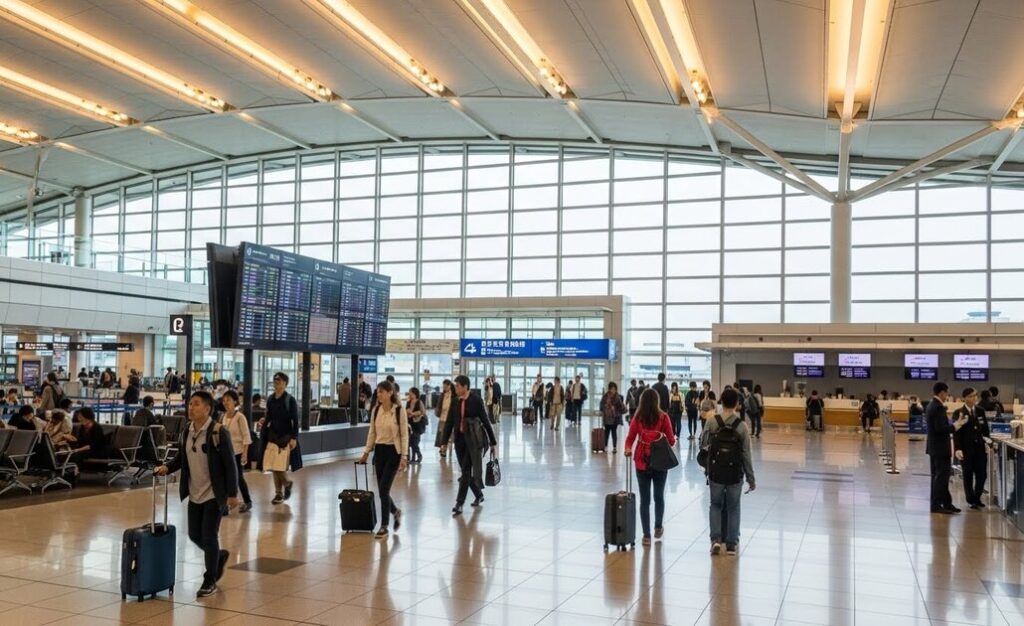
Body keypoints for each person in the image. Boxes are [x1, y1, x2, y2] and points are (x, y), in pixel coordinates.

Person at [155, 391, 238, 599]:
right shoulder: (187, 431)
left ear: (208, 409)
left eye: (197, 404)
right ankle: (218, 556)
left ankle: (210, 579)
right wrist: (167, 467)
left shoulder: (218, 432)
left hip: (214, 494)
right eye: (190, 403)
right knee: (194, 535)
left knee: (209, 536)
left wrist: (232, 494)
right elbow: (181, 458)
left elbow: (230, 465)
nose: (191, 407)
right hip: (194, 492)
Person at [701, 388, 755, 556]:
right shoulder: (742, 426)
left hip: (716, 472)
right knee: (733, 507)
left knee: (715, 505)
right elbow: (746, 454)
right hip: (735, 474)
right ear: (737, 404)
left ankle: (715, 540)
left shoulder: (712, 422)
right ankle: (731, 544)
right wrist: (751, 478)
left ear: (721, 402)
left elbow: (703, 444)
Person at [624, 388, 676, 546]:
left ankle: (646, 535)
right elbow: (671, 440)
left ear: (642, 401)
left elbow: (630, 438)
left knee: (644, 500)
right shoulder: (664, 417)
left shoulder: (638, 417)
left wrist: (628, 449)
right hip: (660, 462)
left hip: (642, 461)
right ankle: (658, 526)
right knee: (659, 496)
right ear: (657, 401)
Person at [440, 375, 498, 516]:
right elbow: (449, 422)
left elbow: (485, 420)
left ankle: (459, 503)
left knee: (466, 470)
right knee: (465, 471)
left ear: (465, 386)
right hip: (459, 441)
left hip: (473, 441)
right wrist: (444, 442)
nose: (456, 388)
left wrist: (493, 442)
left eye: (458, 386)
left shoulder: (476, 400)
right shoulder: (455, 401)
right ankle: (478, 494)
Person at [360, 381, 409, 537]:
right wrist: (366, 452)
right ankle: (395, 511)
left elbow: (404, 435)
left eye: (381, 392)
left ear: (390, 393)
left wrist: (404, 456)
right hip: (379, 451)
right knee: (382, 490)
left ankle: (384, 525)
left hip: (394, 452)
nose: (378, 394)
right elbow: (372, 433)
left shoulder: (399, 411)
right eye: (378, 392)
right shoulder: (376, 411)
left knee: (383, 489)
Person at [927, 382, 968, 514]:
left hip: (934, 447)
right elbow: (940, 428)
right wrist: (956, 426)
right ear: (942, 392)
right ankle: (936, 505)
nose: (948, 396)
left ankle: (946, 503)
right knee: (941, 477)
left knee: (940, 476)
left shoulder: (931, 405)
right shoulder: (938, 407)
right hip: (940, 448)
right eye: (947, 393)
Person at [260, 372, 300, 505]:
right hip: (273, 436)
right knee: (273, 465)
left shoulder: (290, 400)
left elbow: (295, 421)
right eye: (275, 381)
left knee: (279, 466)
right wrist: (263, 427)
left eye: (280, 381)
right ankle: (280, 491)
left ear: (285, 384)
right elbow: (268, 417)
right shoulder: (270, 399)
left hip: (285, 437)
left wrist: (294, 438)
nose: (277, 383)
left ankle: (284, 486)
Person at [952, 387, 990, 510]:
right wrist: (957, 448)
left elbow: (985, 429)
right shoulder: (959, 412)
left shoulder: (980, 411)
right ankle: (970, 499)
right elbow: (957, 432)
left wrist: (988, 442)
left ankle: (977, 497)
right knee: (968, 475)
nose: (974, 398)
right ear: (965, 398)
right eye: (971, 396)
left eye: (975, 395)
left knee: (982, 474)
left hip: (980, 448)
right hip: (966, 449)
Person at [221, 390, 253, 514]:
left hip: (238, 452)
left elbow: (246, 436)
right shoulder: (224, 417)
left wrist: (245, 453)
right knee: (225, 478)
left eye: (228, 400)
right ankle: (225, 505)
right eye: (224, 400)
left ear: (235, 401)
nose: (226, 403)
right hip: (227, 453)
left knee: (238, 478)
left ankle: (247, 501)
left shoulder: (240, 417)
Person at [600, 382, 626, 453]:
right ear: (609, 389)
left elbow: (622, 408)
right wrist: (605, 407)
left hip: (615, 417)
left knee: (614, 432)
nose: (613, 390)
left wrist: (615, 408)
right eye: (612, 389)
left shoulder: (618, 397)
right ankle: (605, 446)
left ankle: (614, 447)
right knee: (607, 432)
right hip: (607, 417)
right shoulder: (605, 396)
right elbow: (601, 406)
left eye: (615, 389)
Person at [434, 379, 455, 458]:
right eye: (443, 387)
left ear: (449, 386)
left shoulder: (454, 395)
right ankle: (443, 448)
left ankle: (445, 449)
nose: (444, 388)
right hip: (442, 417)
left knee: (449, 435)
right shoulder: (442, 395)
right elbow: (439, 405)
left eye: (446, 386)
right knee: (441, 434)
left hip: (450, 419)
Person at [406, 387, 426, 464]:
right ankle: (413, 458)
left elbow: (423, 412)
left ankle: (419, 456)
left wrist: (413, 413)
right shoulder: (408, 402)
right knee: (410, 442)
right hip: (410, 424)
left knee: (415, 442)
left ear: (415, 394)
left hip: (417, 424)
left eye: (411, 393)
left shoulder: (419, 402)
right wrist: (407, 412)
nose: (409, 394)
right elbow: (406, 411)